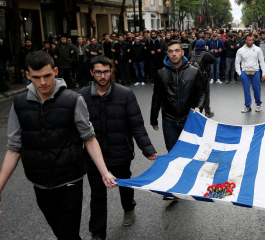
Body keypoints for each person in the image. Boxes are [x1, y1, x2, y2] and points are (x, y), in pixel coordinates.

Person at [0, 51, 116, 239]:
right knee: (61, 232)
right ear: (28, 76)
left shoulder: (73, 100)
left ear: (55, 71)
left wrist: (104, 172)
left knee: (67, 234)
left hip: (69, 180)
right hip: (39, 181)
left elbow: (89, 138)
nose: (43, 82)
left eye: (47, 75)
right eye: (36, 77)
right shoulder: (19, 103)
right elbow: (14, 147)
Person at [78, 56, 157, 240]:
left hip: (121, 150)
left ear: (111, 71)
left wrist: (148, 149)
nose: (102, 76)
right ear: (92, 73)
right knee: (97, 194)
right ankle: (97, 233)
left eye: (106, 71)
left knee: (124, 183)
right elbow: (77, 128)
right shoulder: (81, 96)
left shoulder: (125, 94)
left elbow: (136, 124)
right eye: (98, 72)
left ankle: (129, 208)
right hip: (94, 156)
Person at [150, 40, 205, 152]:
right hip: (169, 120)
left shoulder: (194, 71)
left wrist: (199, 107)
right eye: (170, 51)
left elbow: (202, 93)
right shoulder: (161, 73)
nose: (174, 54)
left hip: (189, 119)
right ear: (167, 53)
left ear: (182, 52)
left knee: (190, 152)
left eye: (177, 51)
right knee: (173, 153)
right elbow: (156, 97)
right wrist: (153, 118)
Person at [235, 33, 265, 113]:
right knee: (246, 90)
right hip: (245, 72)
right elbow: (237, 62)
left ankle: (258, 105)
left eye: (253, 40)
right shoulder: (240, 50)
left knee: (256, 89)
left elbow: (262, 61)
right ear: (246, 40)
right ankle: (247, 106)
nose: (251, 41)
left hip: (255, 72)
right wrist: (240, 73)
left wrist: (264, 73)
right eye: (249, 40)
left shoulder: (258, 49)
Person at [187, 40, 215, 118]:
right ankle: (207, 111)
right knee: (205, 94)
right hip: (203, 77)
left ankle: (193, 109)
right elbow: (213, 60)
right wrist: (208, 50)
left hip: (192, 77)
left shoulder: (191, 53)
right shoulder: (206, 54)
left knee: (193, 94)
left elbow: (187, 60)